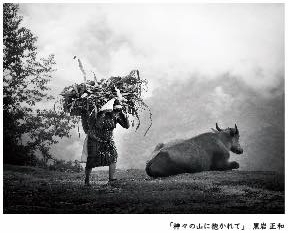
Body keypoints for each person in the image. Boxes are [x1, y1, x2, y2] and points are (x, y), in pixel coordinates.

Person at [84, 99, 130, 186]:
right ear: (111, 109)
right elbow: (98, 125)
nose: (117, 112)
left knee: (113, 156)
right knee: (92, 158)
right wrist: (104, 113)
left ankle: (111, 179)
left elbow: (126, 126)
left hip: (108, 140)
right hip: (95, 138)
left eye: (118, 111)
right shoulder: (102, 114)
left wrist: (124, 114)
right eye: (116, 110)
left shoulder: (117, 115)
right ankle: (87, 180)